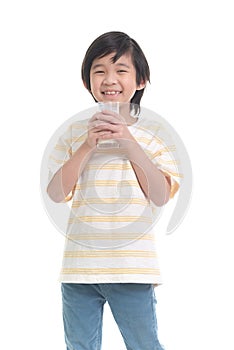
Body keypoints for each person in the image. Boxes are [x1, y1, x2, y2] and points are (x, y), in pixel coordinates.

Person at [47, 31, 180, 350]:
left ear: (141, 81)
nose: (110, 79)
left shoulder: (155, 133)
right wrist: (85, 147)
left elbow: (160, 195)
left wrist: (127, 139)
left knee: (144, 344)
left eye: (121, 70)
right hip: (79, 269)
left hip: (132, 268)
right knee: (79, 345)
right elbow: (55, 193)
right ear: (86, 81)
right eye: (99, 70)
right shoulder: (73, 133)